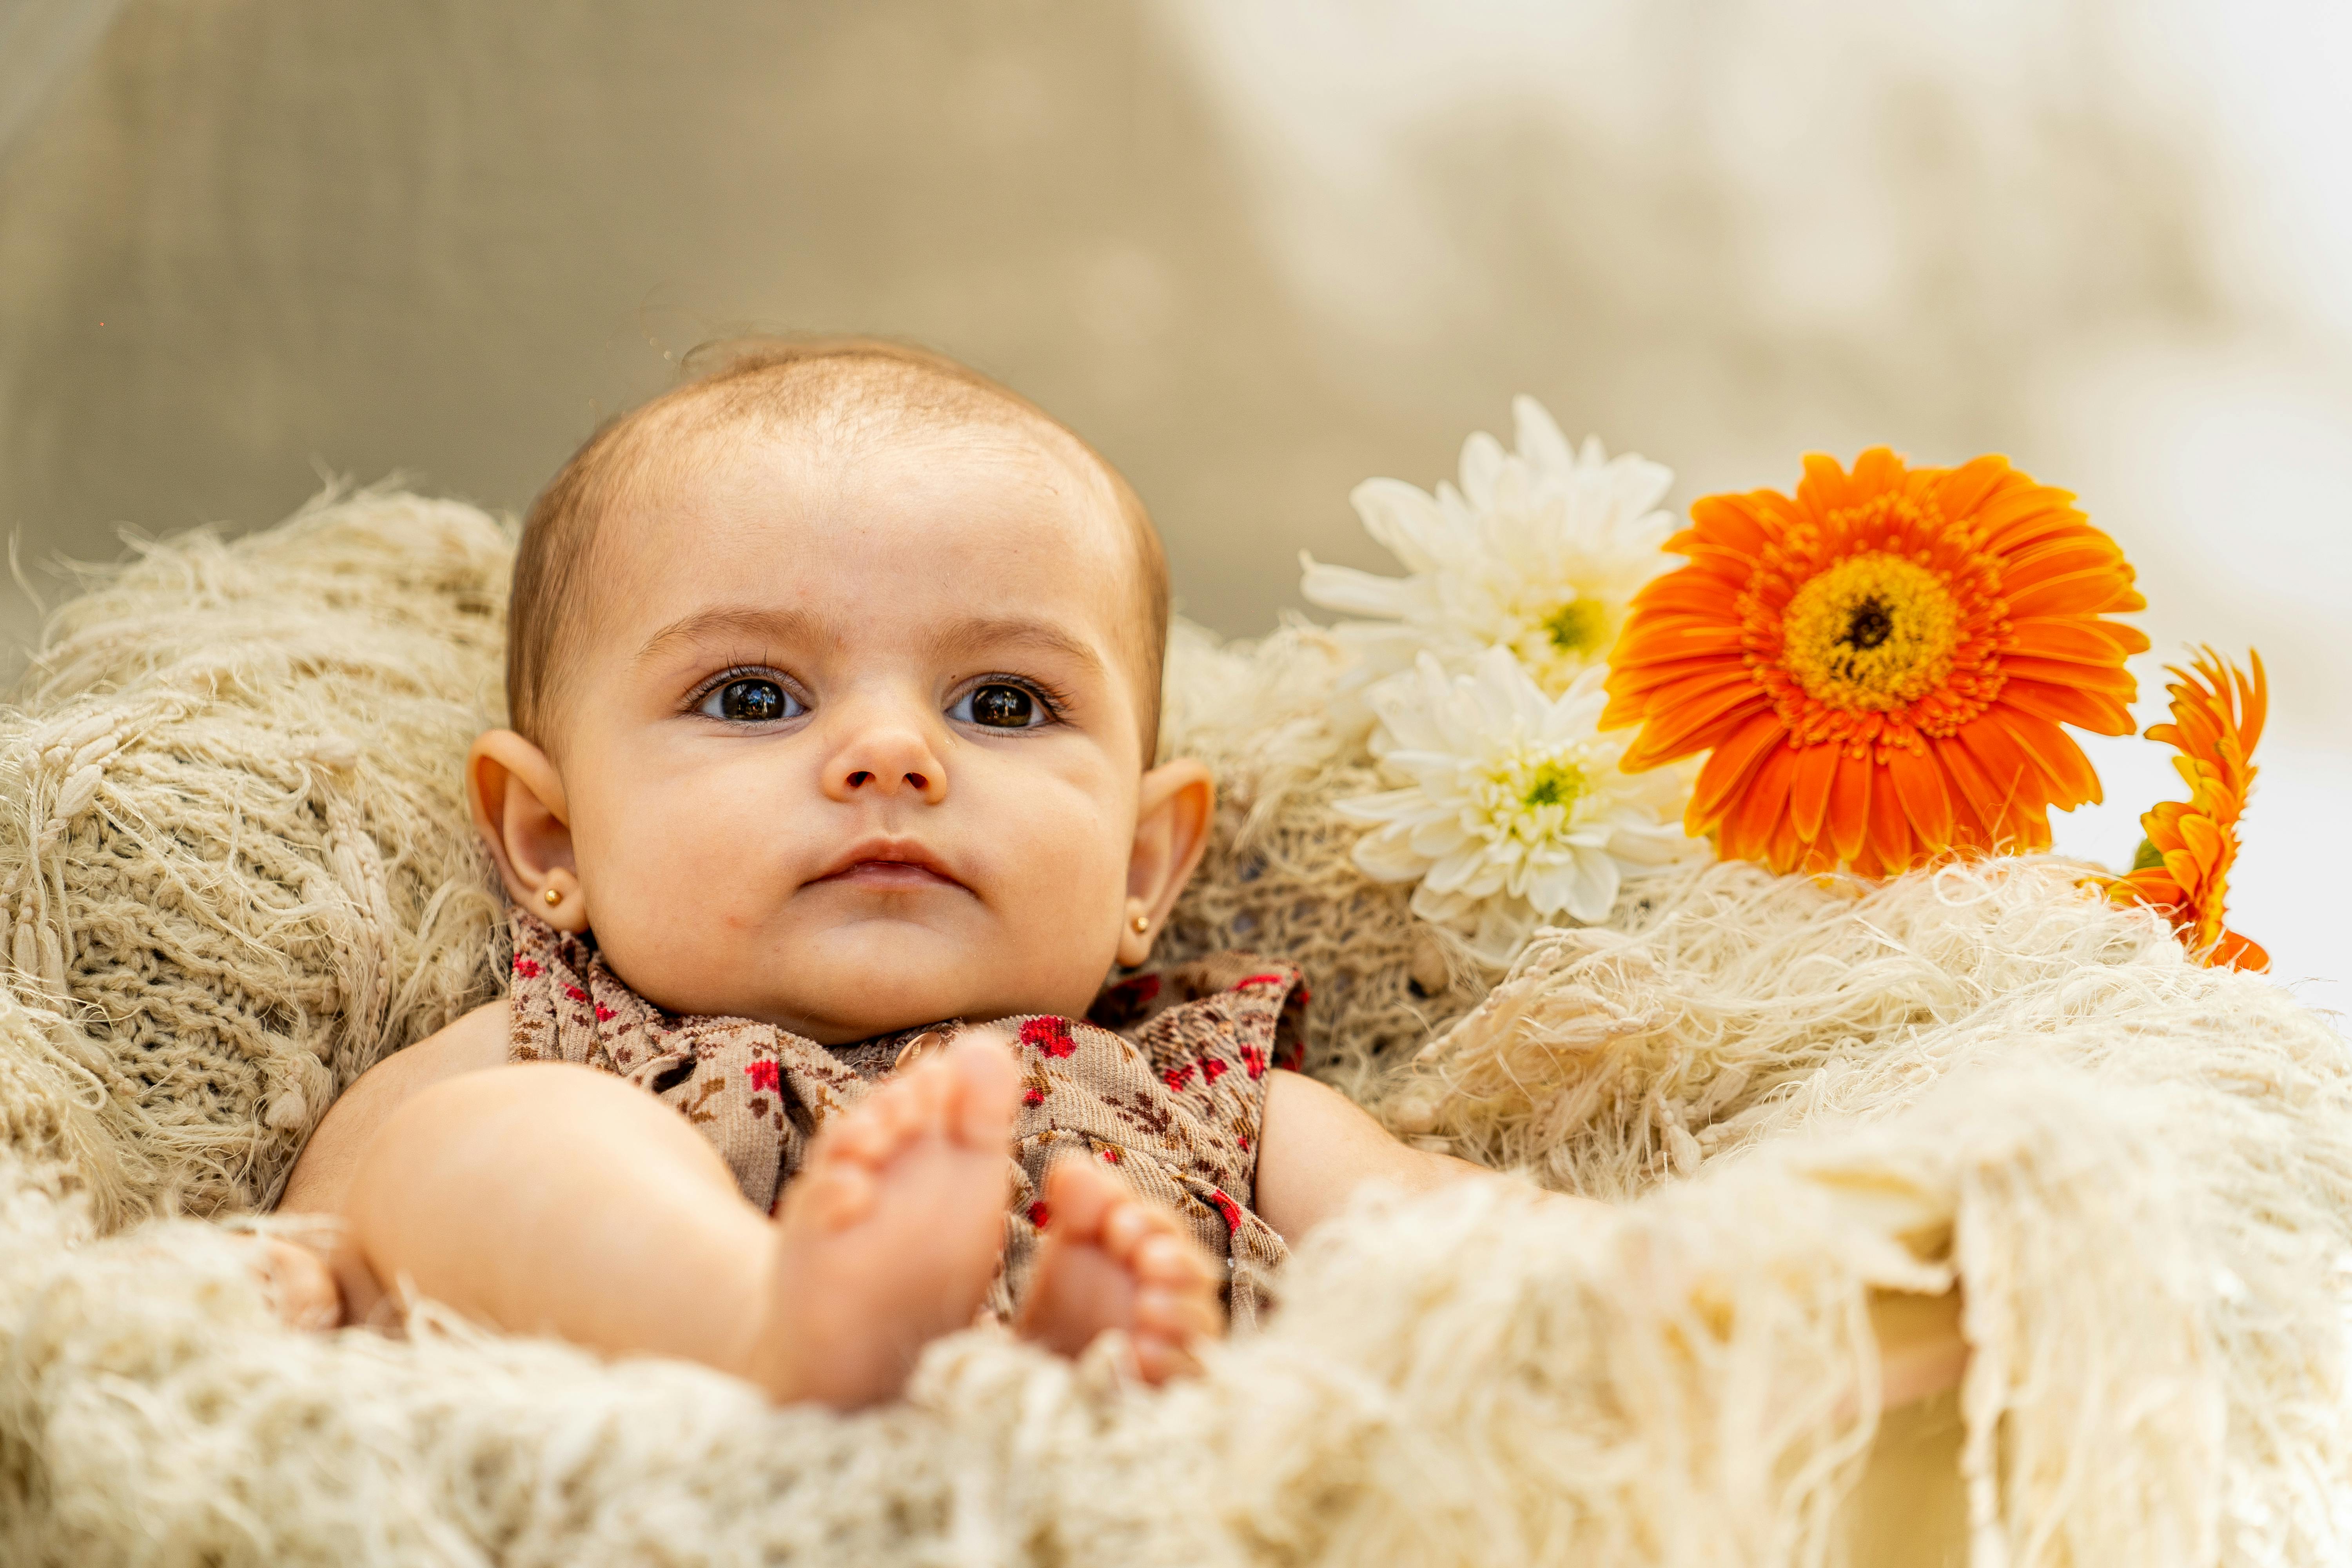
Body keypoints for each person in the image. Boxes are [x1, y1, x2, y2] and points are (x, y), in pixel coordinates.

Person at [267, 338, 1965, 1414]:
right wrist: (307, 1260)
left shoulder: (1206, 1093)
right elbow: (364, 1182)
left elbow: (1459, 1243)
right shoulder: (572, 1045)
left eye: (1001, 702)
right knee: (499, 1150)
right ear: (550, 843)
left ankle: (1062, 1386)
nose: (889, 755)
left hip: (1112, 1458)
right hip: (694, 1407)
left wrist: (1706, 1291)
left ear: (1147, 861)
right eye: (754, 696)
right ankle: (778, 1326)